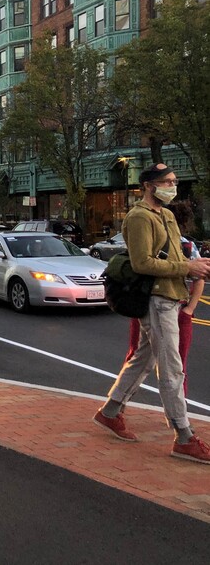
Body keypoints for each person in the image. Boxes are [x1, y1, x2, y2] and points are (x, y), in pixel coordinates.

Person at [93, 163, 210, 463]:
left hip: (171, 295)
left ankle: (110, 411)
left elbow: (173, 257)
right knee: (171, 368)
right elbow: (143, 263)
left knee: (144, 358)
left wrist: (196, 267)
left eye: (173, 181)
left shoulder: (167, 215)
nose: (172, 186)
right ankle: (184, 436)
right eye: (166, 182)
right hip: (156, 299)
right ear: (148, 186)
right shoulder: (139, 217)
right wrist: (187, 267)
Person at [125, 200, 205, 396]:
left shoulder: (185, 246)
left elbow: (199, 277)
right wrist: (189, 310)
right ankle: (116, 407)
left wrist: (188, 311)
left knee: (171, 363)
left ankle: (180, 415)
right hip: (152, 304)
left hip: (167, 305)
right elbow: (141, 264)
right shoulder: (149, 241)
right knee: (147, 359)